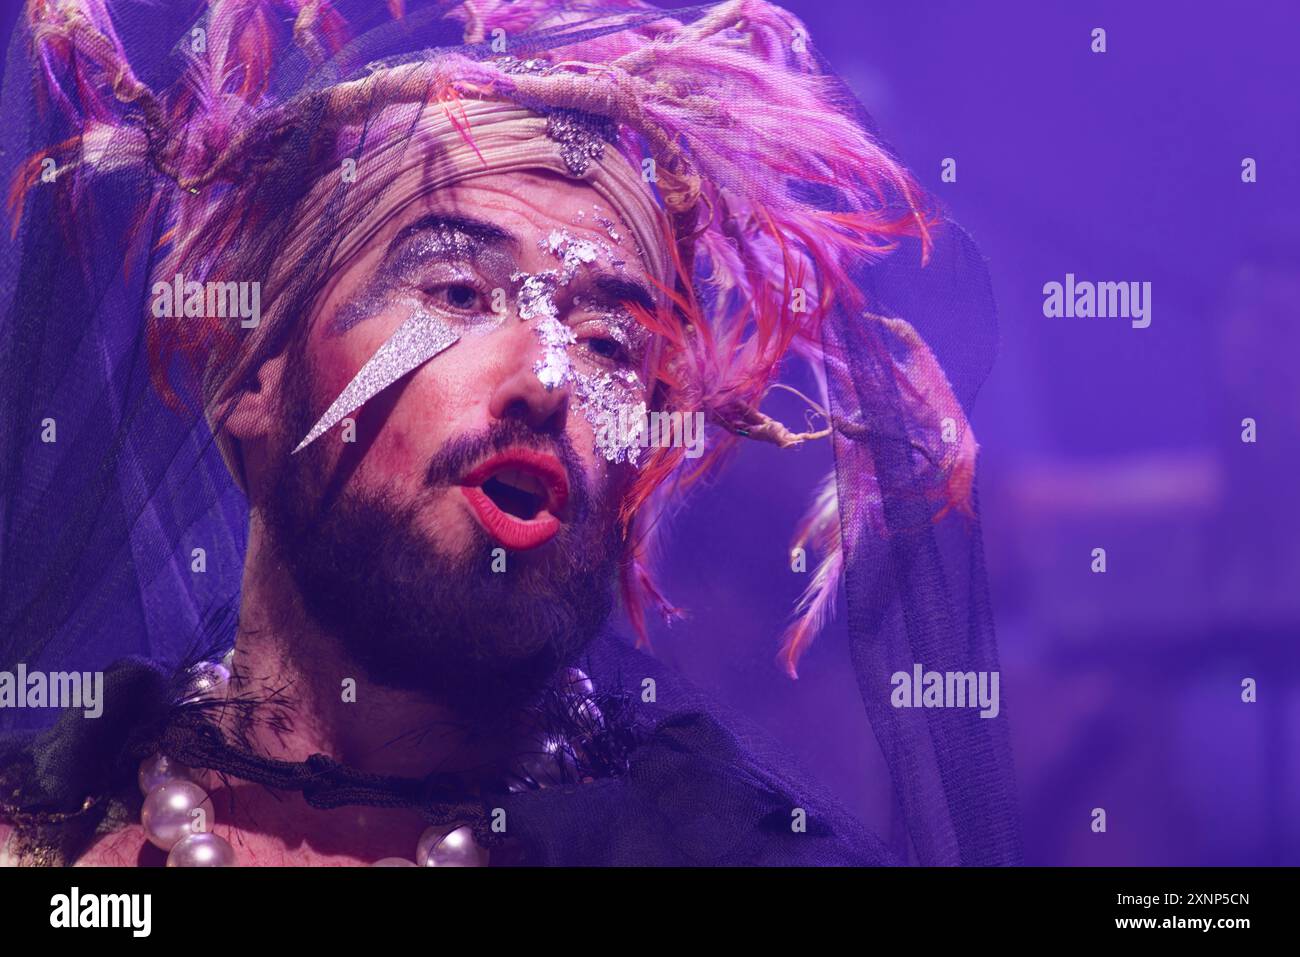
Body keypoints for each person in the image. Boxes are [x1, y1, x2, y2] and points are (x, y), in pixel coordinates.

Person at [0, 0, 1019, 866]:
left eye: (609, 343)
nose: (545, 378)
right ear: (252, 376)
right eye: (455, 290)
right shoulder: (48, 836)